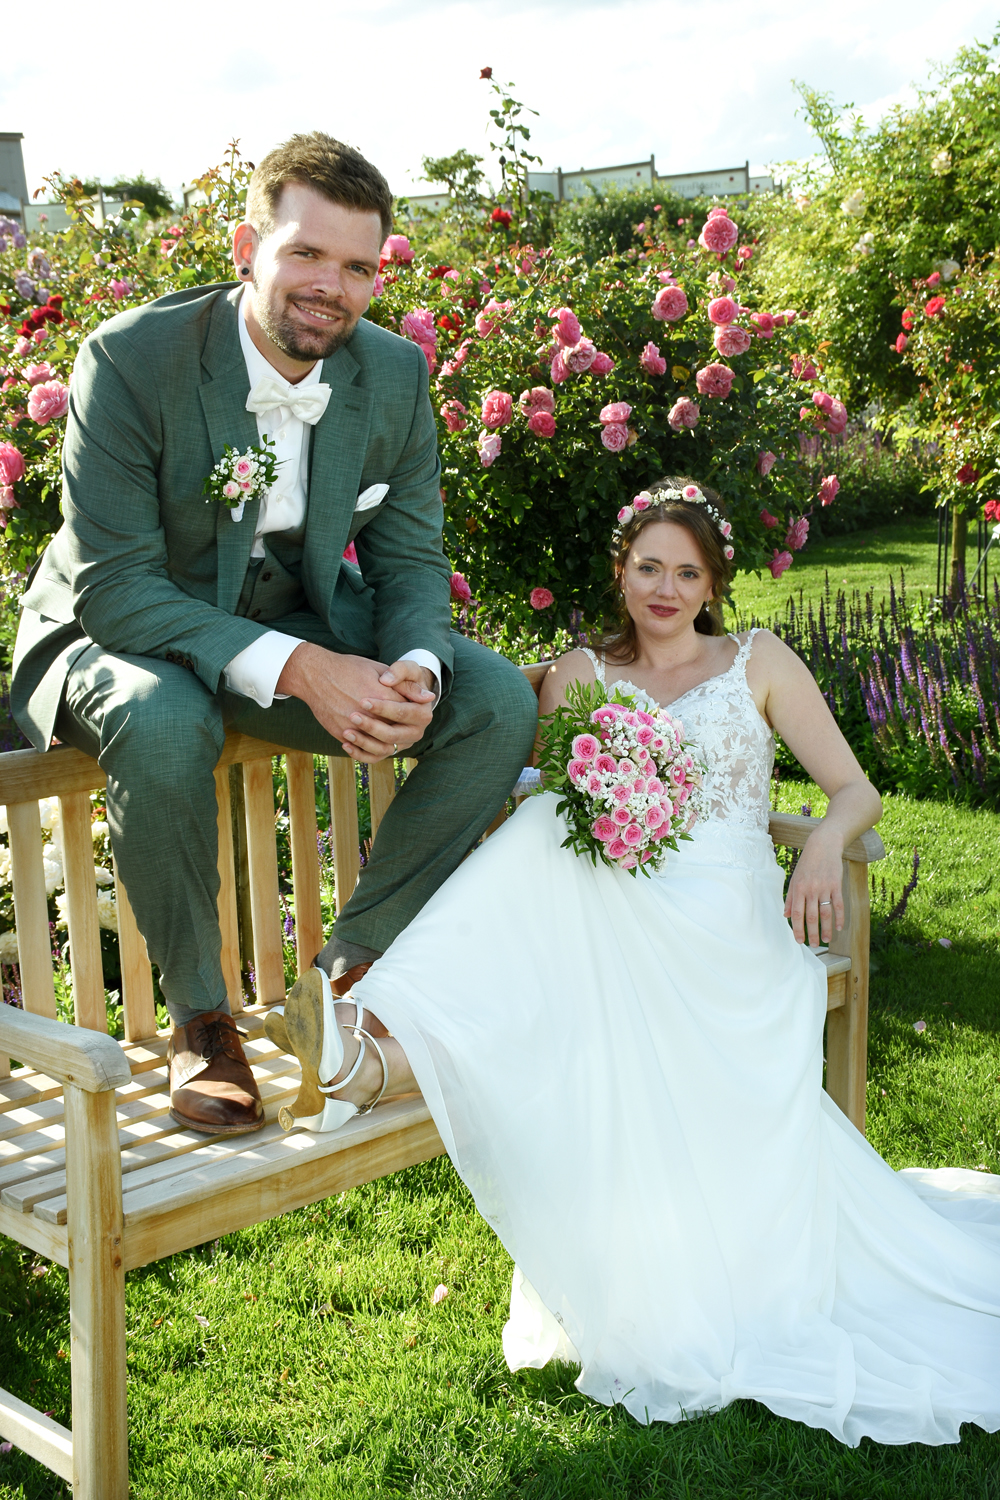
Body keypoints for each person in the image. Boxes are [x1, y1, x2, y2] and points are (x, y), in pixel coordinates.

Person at [270, 479, 1000, 1447]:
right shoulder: (581, 672)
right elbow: (551, 795)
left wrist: (825, 843)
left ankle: (373, 1036)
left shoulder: (758, 661)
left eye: (686, 573)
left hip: (724, 919)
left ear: (713, 585)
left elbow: (853, 789)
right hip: (609, 899)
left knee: (556, 887)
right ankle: (372, 1054)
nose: (665, 589)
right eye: (649, 567)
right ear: (620, 573)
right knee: (546, 833)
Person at [10, 132, 538, 1136]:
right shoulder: (129, 359)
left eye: (357, 267)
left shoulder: (393, 373)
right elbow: (118, 586)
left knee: (491, 700)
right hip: (118, 629)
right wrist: (304, 668)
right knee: (164, 718)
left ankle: (342, 980)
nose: (330, 286)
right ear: (247, 247)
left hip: (286, 612)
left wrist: (414, 668)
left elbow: (410, 561)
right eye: (306, 253)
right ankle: (203, 1024)